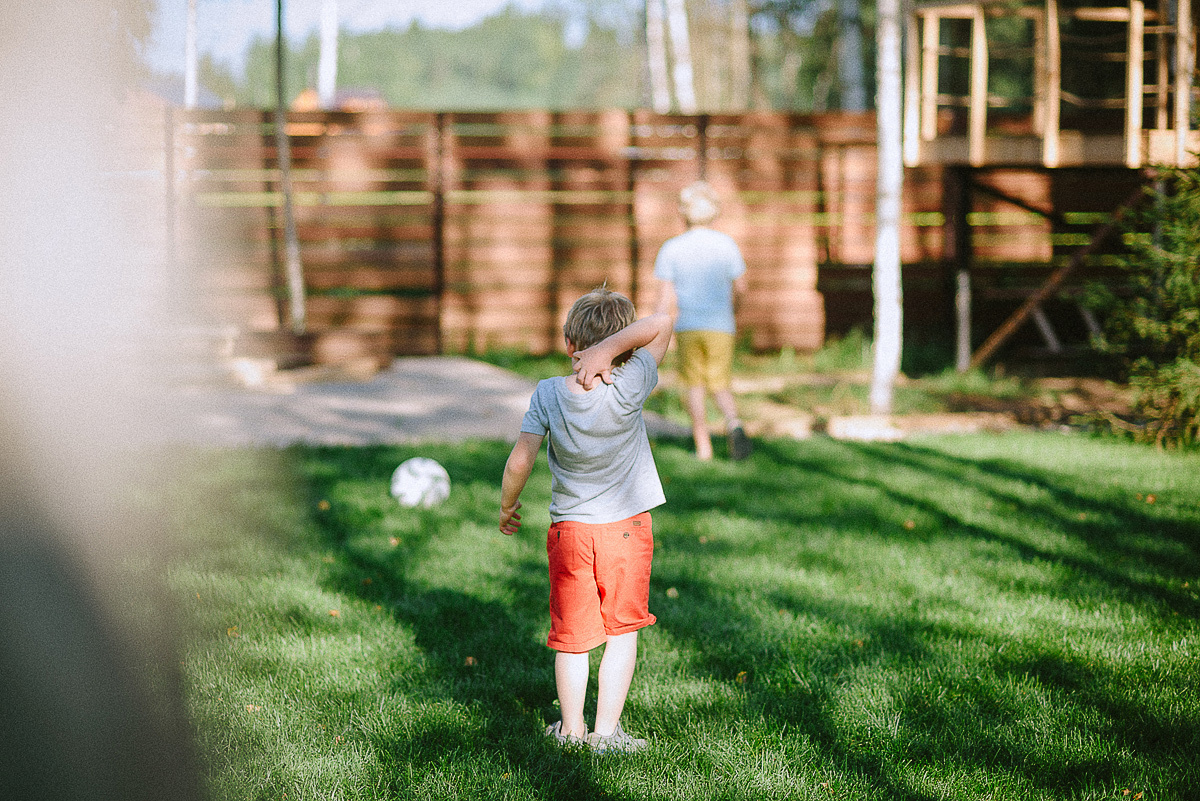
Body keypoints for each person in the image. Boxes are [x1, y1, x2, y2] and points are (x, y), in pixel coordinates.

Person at [499, 286, 673, 755]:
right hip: (627, 530)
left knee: (572, 638)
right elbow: (662, 322)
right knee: (621, 633)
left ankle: (571, 730)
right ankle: (605, 734)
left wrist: (507, 505)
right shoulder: (632, 379)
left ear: (570, 345)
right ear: (626, 347)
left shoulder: (549, 393)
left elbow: (521, 460)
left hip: (570, 532)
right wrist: (613, 349)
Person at [653, 181, 752, 461]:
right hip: (721, 325)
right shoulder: (726, 245)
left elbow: (663, 300)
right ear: (715, 212)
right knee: (719, 383)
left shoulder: (672, 248)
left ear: (683, 212)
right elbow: (741, 288)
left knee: (694, 385)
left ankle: (703, 447)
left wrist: (657, 331)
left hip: (688, 326)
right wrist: (733, 313)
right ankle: (734, 423)